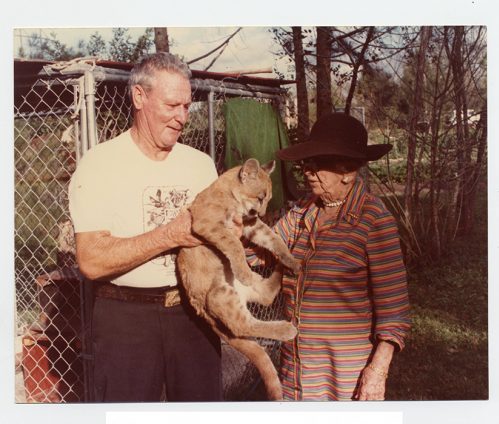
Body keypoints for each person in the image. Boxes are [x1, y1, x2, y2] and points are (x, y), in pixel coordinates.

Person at [68, 52, 223, 402]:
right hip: (126, 317)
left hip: (194, 312)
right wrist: (169, 234)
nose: (181, 117)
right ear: (139, 97)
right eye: (171, 105)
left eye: (187, 106)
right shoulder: (100, 164)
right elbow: (91, 261)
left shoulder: (200, 165)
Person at [254, 112, 411, 401]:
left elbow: (394, 312)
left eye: (318, 163)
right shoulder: (304, 210)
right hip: (296, 371)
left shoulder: (374, 220)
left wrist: (377, 373)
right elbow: (263, 251)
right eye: (306, 163)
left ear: (348, 172)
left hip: (344, 376)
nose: (307, 170)